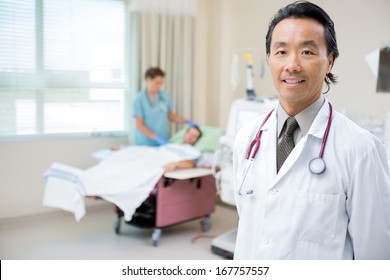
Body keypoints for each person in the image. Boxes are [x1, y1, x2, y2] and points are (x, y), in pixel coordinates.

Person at [233, 1, 390, 259]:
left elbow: (376, 257)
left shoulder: (361, 149)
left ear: (329, 61)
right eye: (281, 52)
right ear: (270, 59)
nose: (292, 65)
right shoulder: (248, 139)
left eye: (306, 52)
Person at [133, 67, 197, 146]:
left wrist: (187, 121)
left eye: (161, 83)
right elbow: (139, 125)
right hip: (145, 141)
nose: (159, 86)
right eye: (157, 82)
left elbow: (171, 116)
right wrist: (156, 138)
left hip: (163, 139)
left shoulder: (165, 96)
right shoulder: (139, 99)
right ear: (148, 80)